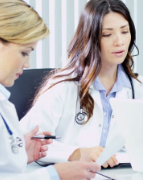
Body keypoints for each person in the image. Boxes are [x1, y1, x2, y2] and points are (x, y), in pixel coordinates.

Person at [20, 0, 143, 168]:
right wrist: (76, 153)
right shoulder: (62, 86)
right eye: (107, 34)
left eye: (125, 31)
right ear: (90, 38)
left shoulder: (138, 86)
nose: (119, 41)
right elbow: (25, 141)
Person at [0, 0, 100, 179]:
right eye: (24, 52)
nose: (27, 64)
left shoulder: (3, 103)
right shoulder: (62, 85)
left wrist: (17, 154)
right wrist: (54, 175)